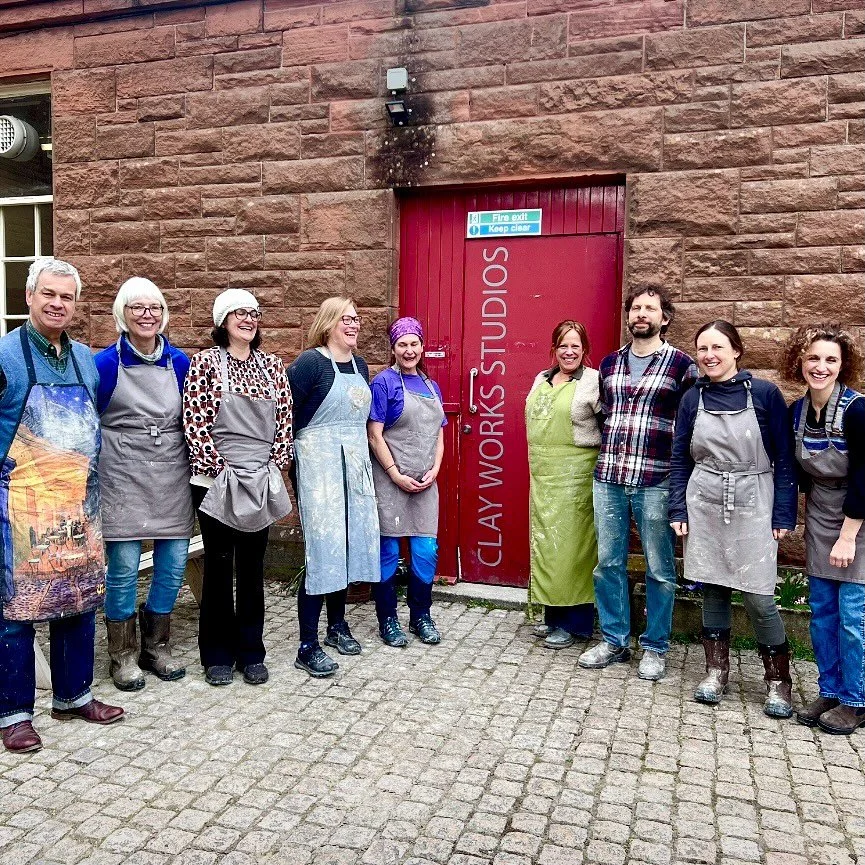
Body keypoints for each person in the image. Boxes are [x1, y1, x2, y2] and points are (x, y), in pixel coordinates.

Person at [0, 258, 124, 754]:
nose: (57, 303)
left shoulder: (85, 359)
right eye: (48, 294)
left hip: (79, 503)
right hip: (21, 506)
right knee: (16, 610)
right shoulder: (5, 355)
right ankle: (14, 714)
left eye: (66, 297)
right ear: (29, 297)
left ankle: (74, 696)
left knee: (78, 599)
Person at [669, 321, 797, 717]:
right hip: (704, 500)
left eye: (718, 347)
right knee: (713, 589)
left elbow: (785, 459)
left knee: (759, 597)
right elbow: (679, 458)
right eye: (702, 348)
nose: (709, 355)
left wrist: (783, 513)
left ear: (737, 350)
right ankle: (716, 671)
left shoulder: (764, 394)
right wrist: (678, 508)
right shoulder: (692, 398)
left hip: (754, 499)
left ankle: (778, 681)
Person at [578, 286, 697, 681]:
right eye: (636, 308)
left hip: (656, 478)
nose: (641, 314)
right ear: (629, 317)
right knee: (607, 563)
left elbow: (694, 421)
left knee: (660, 568)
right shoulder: (610, 364)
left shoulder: (683, 366)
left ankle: (655, 646)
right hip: (609, 476)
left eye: (651, 308)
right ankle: (614, 640)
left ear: (665, 318)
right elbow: (601, 415)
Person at [182, 289, 292, 687]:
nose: (248, 319)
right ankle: (216, 655)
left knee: (251, 568)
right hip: (216, 481)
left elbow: (284, 424)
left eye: (253, 313)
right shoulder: (206, 364)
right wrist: (223, 469)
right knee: (218, 566)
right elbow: (194, 424)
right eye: (239, 313)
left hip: (259, 479)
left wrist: (269, 465)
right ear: (222, 321)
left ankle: (251, 652)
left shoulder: (272, 367)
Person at [94, 278, 193, 692]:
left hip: (171, 471)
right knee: (122, 570)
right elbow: (89, 416)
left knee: (172, 567)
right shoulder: (104, 364)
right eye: (137, 308)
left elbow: (195, 415)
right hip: (121, 473)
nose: (147, 315)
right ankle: (123, 654)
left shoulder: (180, 362)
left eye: (154, 307)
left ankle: (157, 646)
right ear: (123, 313)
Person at [288, 297, 380, 677]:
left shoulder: (360, 365)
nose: (354, 325)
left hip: (354, 466)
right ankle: (307, 644)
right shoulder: (310, 363)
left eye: (357, 319)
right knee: (323, 551)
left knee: (346, 546)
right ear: (328, 324)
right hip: (319, 468)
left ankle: (336, 626)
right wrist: (290, 467)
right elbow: (286, 415)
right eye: (347, 319)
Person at [782, 324, 865, 735]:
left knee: (853, 615)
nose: (821, 366)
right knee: (823, 613)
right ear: (800, 360)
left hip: (858, 519)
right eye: (813, 358)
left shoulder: (857, 410)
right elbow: (792, 471)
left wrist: (849, 535)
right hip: (819, 514)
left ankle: (857, 699)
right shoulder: (797, 412)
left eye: (831, 359)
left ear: (842, 365)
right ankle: (830, 690)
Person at [368, 317, 445, 647]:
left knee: (425, 550)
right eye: (402, 344)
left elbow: (440, 433)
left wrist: (436, 469)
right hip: (390, 481)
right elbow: (374, 434)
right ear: (394, 348)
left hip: (426, 484)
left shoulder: (431, 385)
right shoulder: (383, 383)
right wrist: (394, 473)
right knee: (387, 551)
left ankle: (421, 616)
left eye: (414, 344)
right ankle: (387, 620)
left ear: (422, 347)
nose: (409, 350)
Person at [526, 320, 601, 649]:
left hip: (576, 477)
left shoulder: (595, 382)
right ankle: (552, 616)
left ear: (585, 349)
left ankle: (575, 623)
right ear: (553, 349)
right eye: (562, 345)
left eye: (575, 346)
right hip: (542, 475)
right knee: (546, 544)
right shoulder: (541, 380)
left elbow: (607, 426)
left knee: (572, 547)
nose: (568, 351)